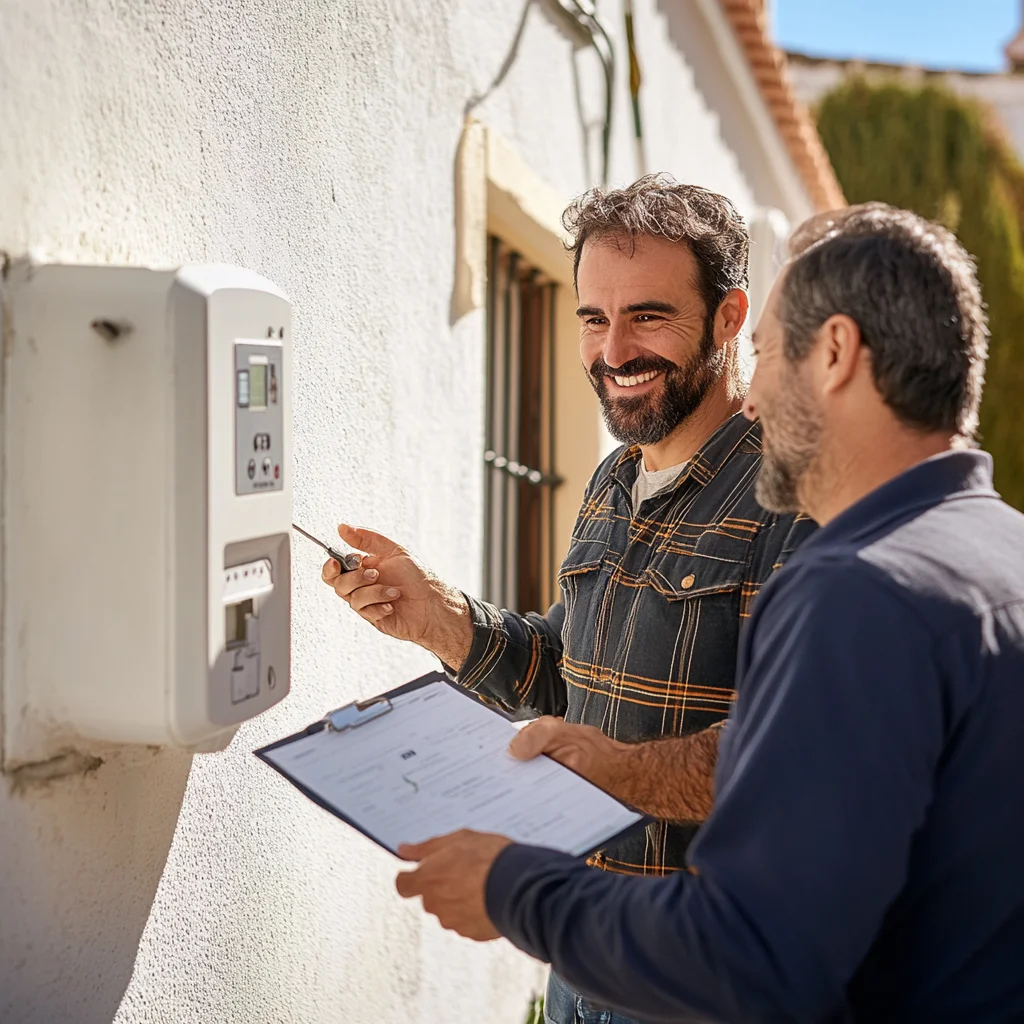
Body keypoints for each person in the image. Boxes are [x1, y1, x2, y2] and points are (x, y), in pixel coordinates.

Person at [393, 202, 1024, 1023]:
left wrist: (514, 889)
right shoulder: (1000, 548)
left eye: (762, 352)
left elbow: (757, 954)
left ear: (833, 353)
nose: (754, 396)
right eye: (594, 318)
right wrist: (442, 620)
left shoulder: (863, 587)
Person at [323, 175, 813, 1023]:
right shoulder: (613, 479)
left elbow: (798, 763)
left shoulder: (795, 498)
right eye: (593, 317)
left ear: (731, 318)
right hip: (579, 959)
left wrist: (614, 771)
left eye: (649, 316)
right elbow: (568, 680)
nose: (613, 350)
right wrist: (439, 619)